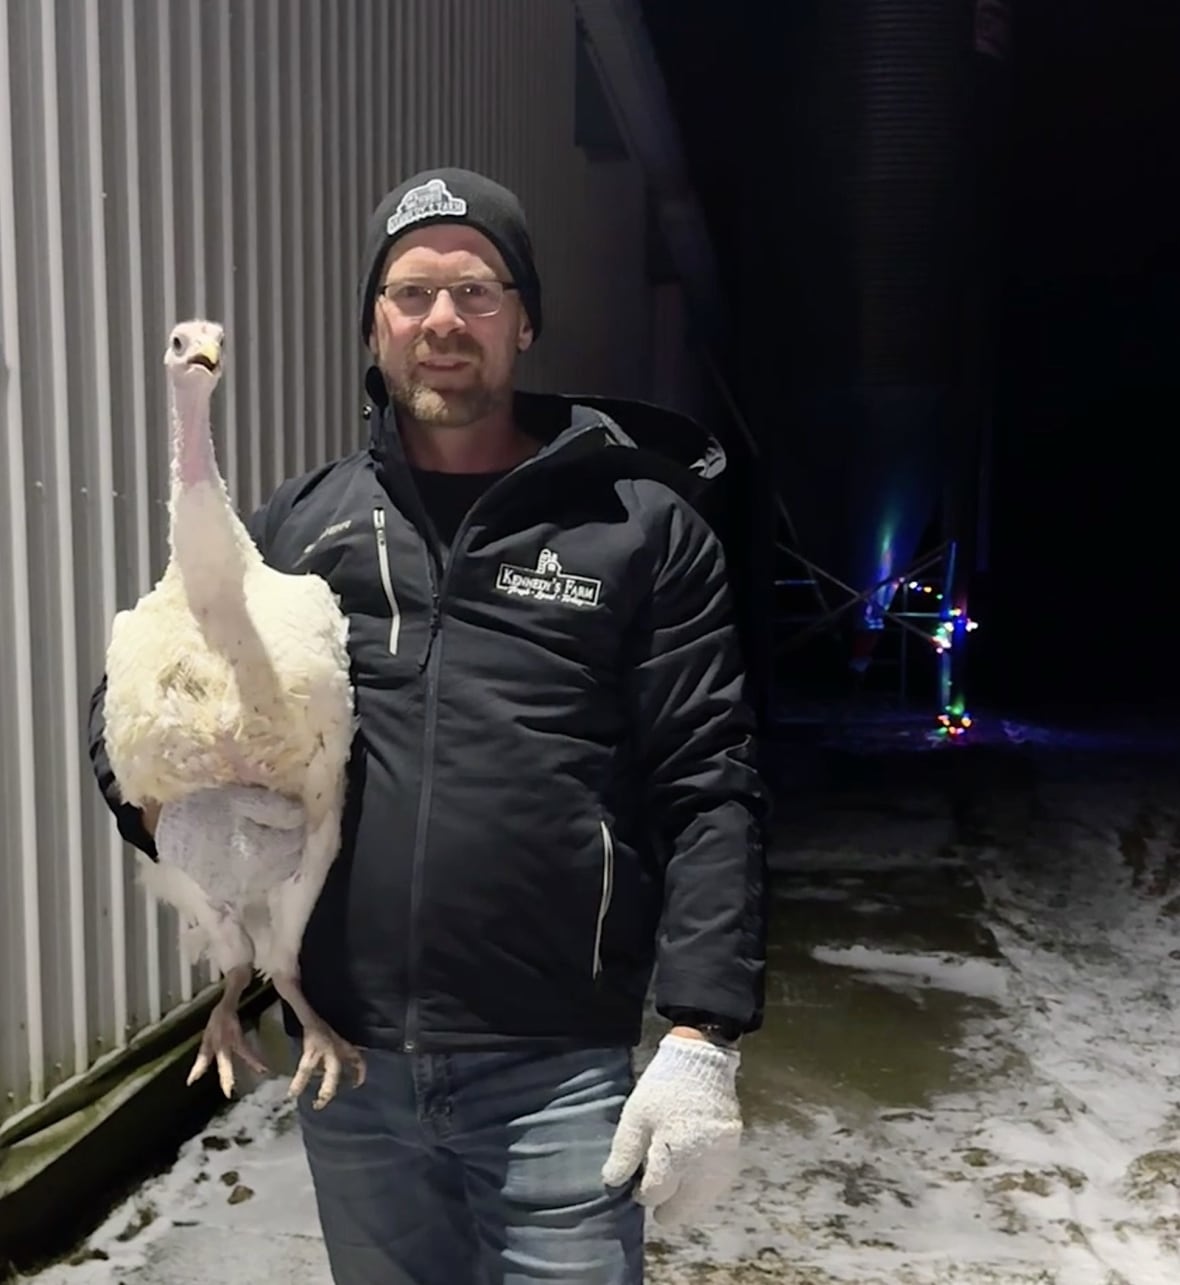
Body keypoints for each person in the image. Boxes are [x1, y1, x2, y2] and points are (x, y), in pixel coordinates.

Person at [88, 166, 769, 1284]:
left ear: (525, 320)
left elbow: (710, 781)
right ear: (374, 322)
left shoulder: (635, 527)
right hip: (351, 1064)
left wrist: (700, 1033)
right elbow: (141, 689)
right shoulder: (302, 529)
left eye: (478, 291)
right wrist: (170, 802)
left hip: (556, 1065)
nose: (443, 320)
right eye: (411, 293)